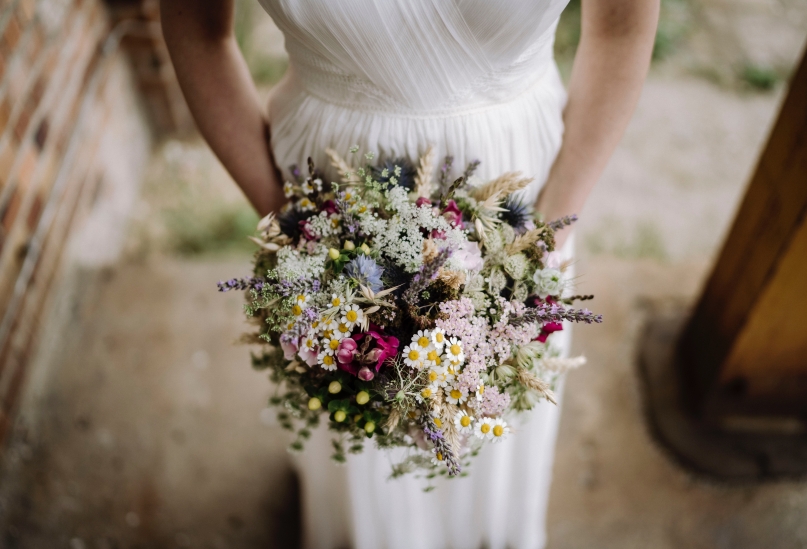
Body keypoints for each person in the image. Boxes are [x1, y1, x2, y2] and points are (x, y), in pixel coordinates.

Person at [160, 2, 658, 548]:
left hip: (514, 187)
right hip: (330, 180)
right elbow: (197, 29)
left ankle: (491, 528)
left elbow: (621, 27)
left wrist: (542, 239)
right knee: (355, 394)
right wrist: (290, 224)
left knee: (494, 399)